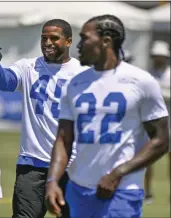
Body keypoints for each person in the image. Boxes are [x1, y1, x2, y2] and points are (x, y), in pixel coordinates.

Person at [45, 14, 169, 218]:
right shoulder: (74, 84)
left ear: (105, 41)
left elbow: (161, 140)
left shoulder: (141, 82)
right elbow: (63, 139)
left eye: (85, 38)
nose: (79, 45)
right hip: (78, 189)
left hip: (122, 191)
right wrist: (52, 181)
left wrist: (118, 173)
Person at [0, 19, 89, 218]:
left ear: (68, 41)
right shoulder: (28, 66)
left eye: (54, 38)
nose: (47, 42)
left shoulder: (83, 73)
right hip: (32, 165)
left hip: (72, 167)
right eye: (44, 38)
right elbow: (2, 80)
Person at [144, 40, 171, 204]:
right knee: (148, 159)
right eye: (156, 56)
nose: (158, 59)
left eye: (161, 56)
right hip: (152, 122)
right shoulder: (147, 74)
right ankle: (148, 193)